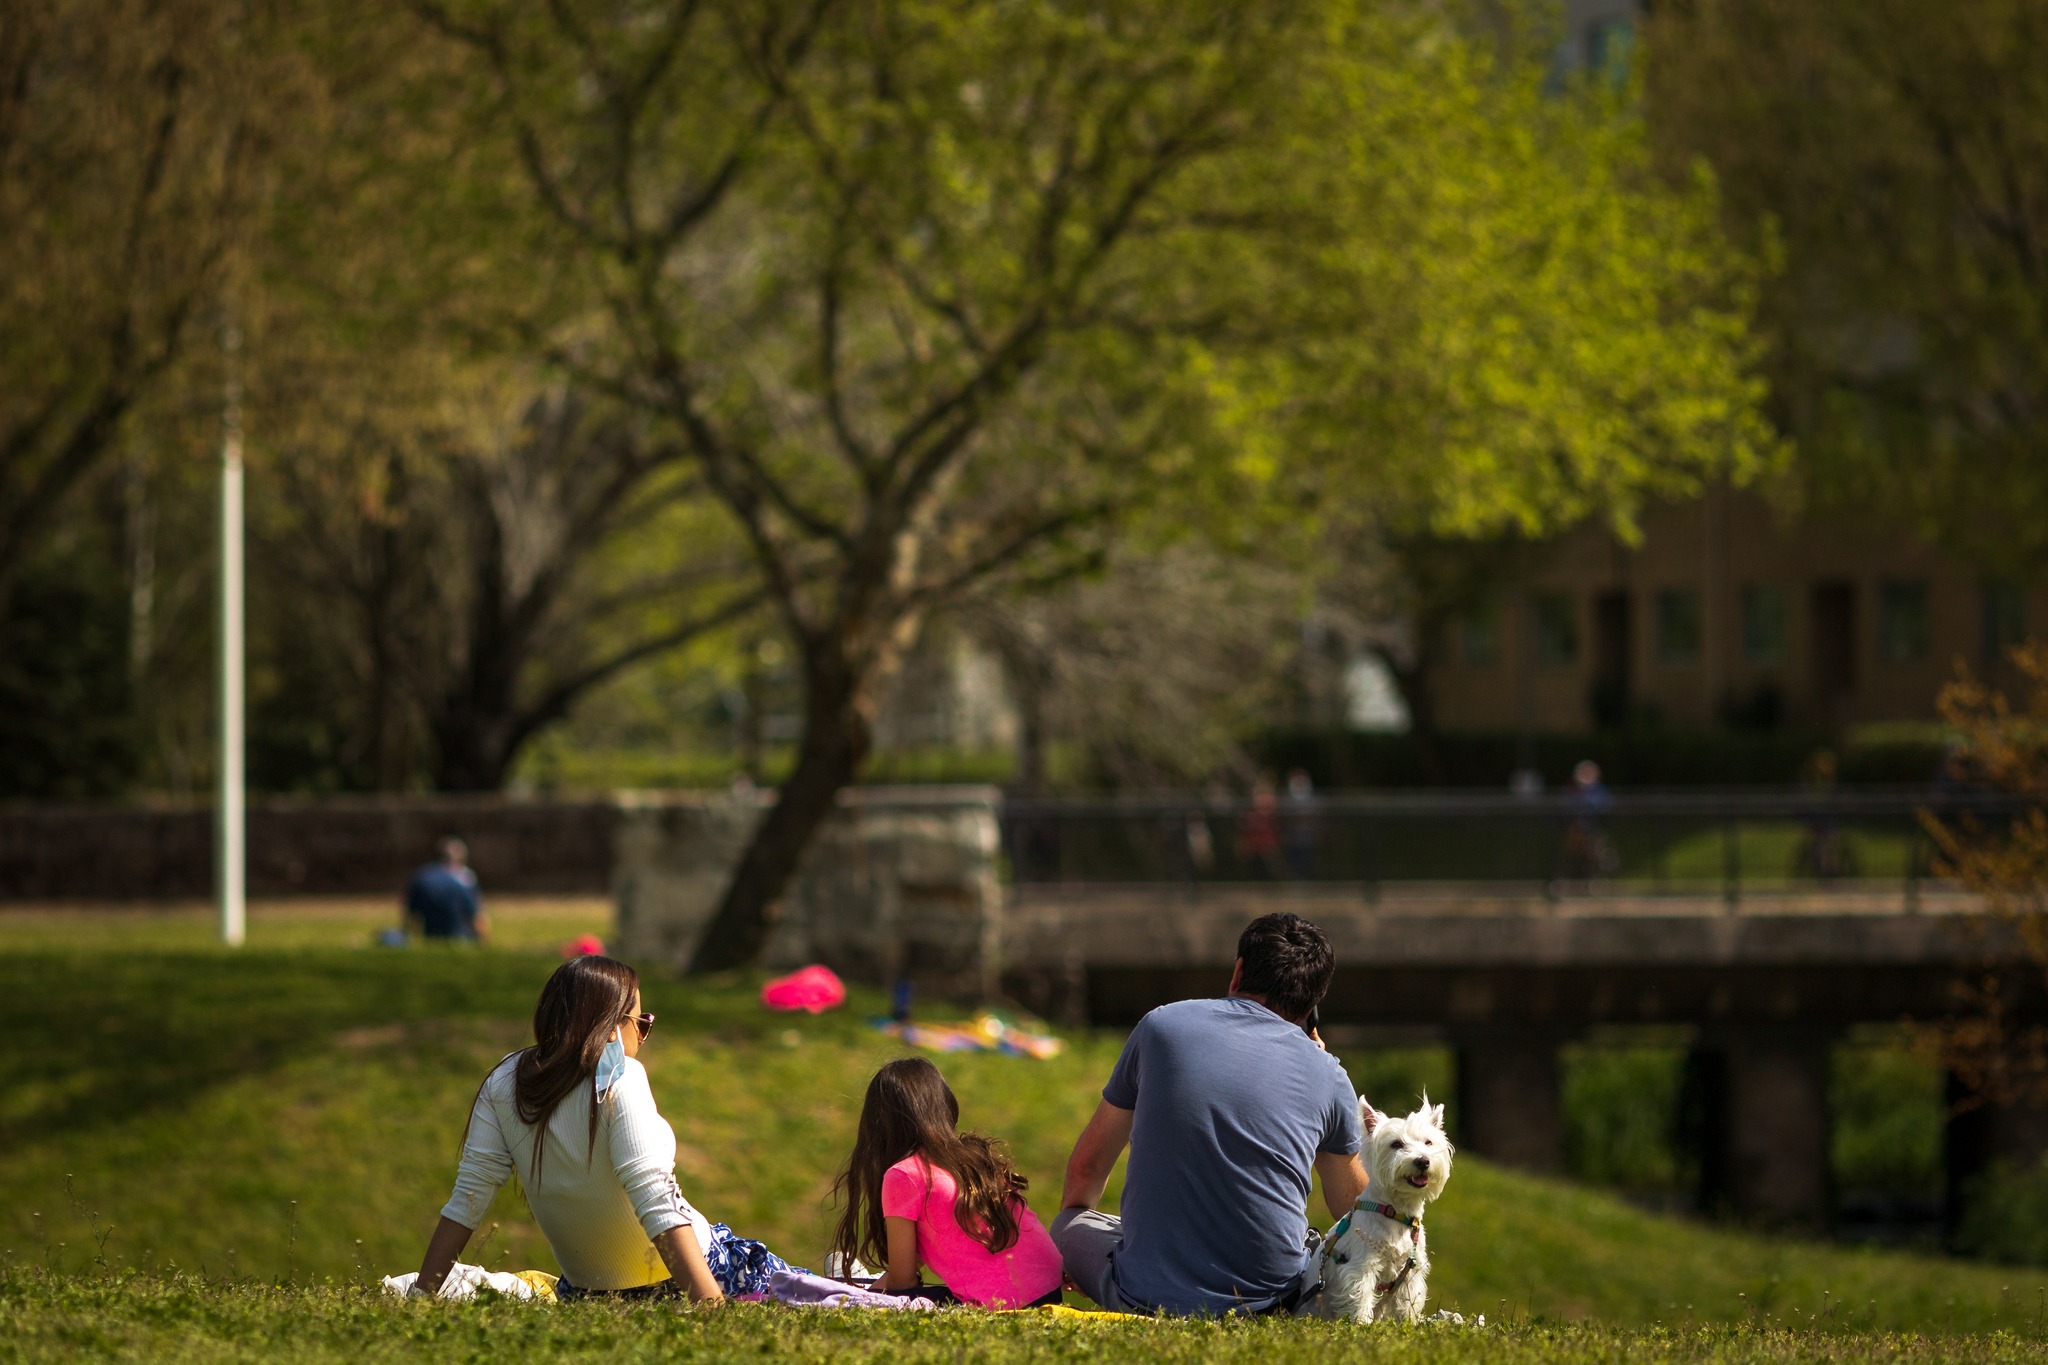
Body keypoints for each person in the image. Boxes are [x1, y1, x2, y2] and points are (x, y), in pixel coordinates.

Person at [411, 955, 798, 1301]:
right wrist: (709, 1302)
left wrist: (424, 1292)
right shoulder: (622, 1077)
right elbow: (656, 1199)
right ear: (612, 1028)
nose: (643, 1038)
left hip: (587, 1293)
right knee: (833, 1295)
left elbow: (469, 1196)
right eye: (641, 1024)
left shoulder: (504, 1079)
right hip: (696, 1274)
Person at [1053, 912, 1368, 1316]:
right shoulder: (1328, 1074)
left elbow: (1086, 1169)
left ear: (1238, 974)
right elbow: (1354, 1210)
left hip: (1143, 1296)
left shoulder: (1160, 1026)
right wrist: (1327, 1090)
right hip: (1269, 1304)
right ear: (1311, 1007)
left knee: (1069, 1225)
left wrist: (1072, 1254)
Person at [828, 1057, 1064, 1309]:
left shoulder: (904, 1175)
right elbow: (920, 1258)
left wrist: (865, 1297)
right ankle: (866, 1285)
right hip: (1049, 1293)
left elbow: (903, 1281)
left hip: (1002, 1307)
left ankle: (857, 1287)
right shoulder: (975, 1158)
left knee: (865, 1300)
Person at [404, 837, 487, 942]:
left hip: (430, 936)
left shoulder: (422, 877)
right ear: (459, 859)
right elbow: (475, 916)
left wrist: (408, 938)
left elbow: (411, 914)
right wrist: (482, 941)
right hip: (458, 936)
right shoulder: (463, 879)